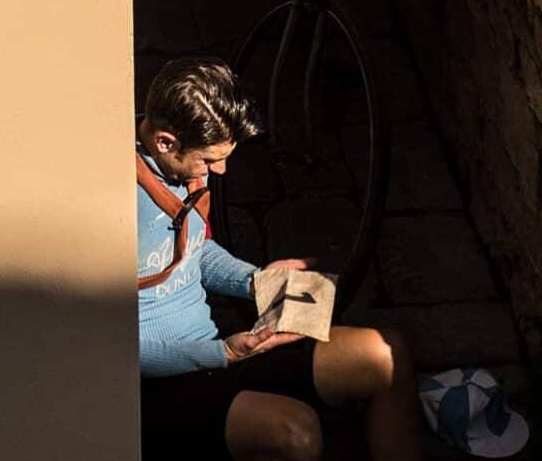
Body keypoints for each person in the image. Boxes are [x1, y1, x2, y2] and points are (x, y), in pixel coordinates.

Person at [138, 57, 422, 461]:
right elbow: (112, 350)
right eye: (209, 160)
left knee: (385, 355)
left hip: (221, 349)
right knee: (296, 433)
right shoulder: (115, 207)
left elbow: (193, 251)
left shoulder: (183, 169)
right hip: (164, 385)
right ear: (166, 142)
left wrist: (256, 282)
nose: (220, 170)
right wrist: (223, 354)